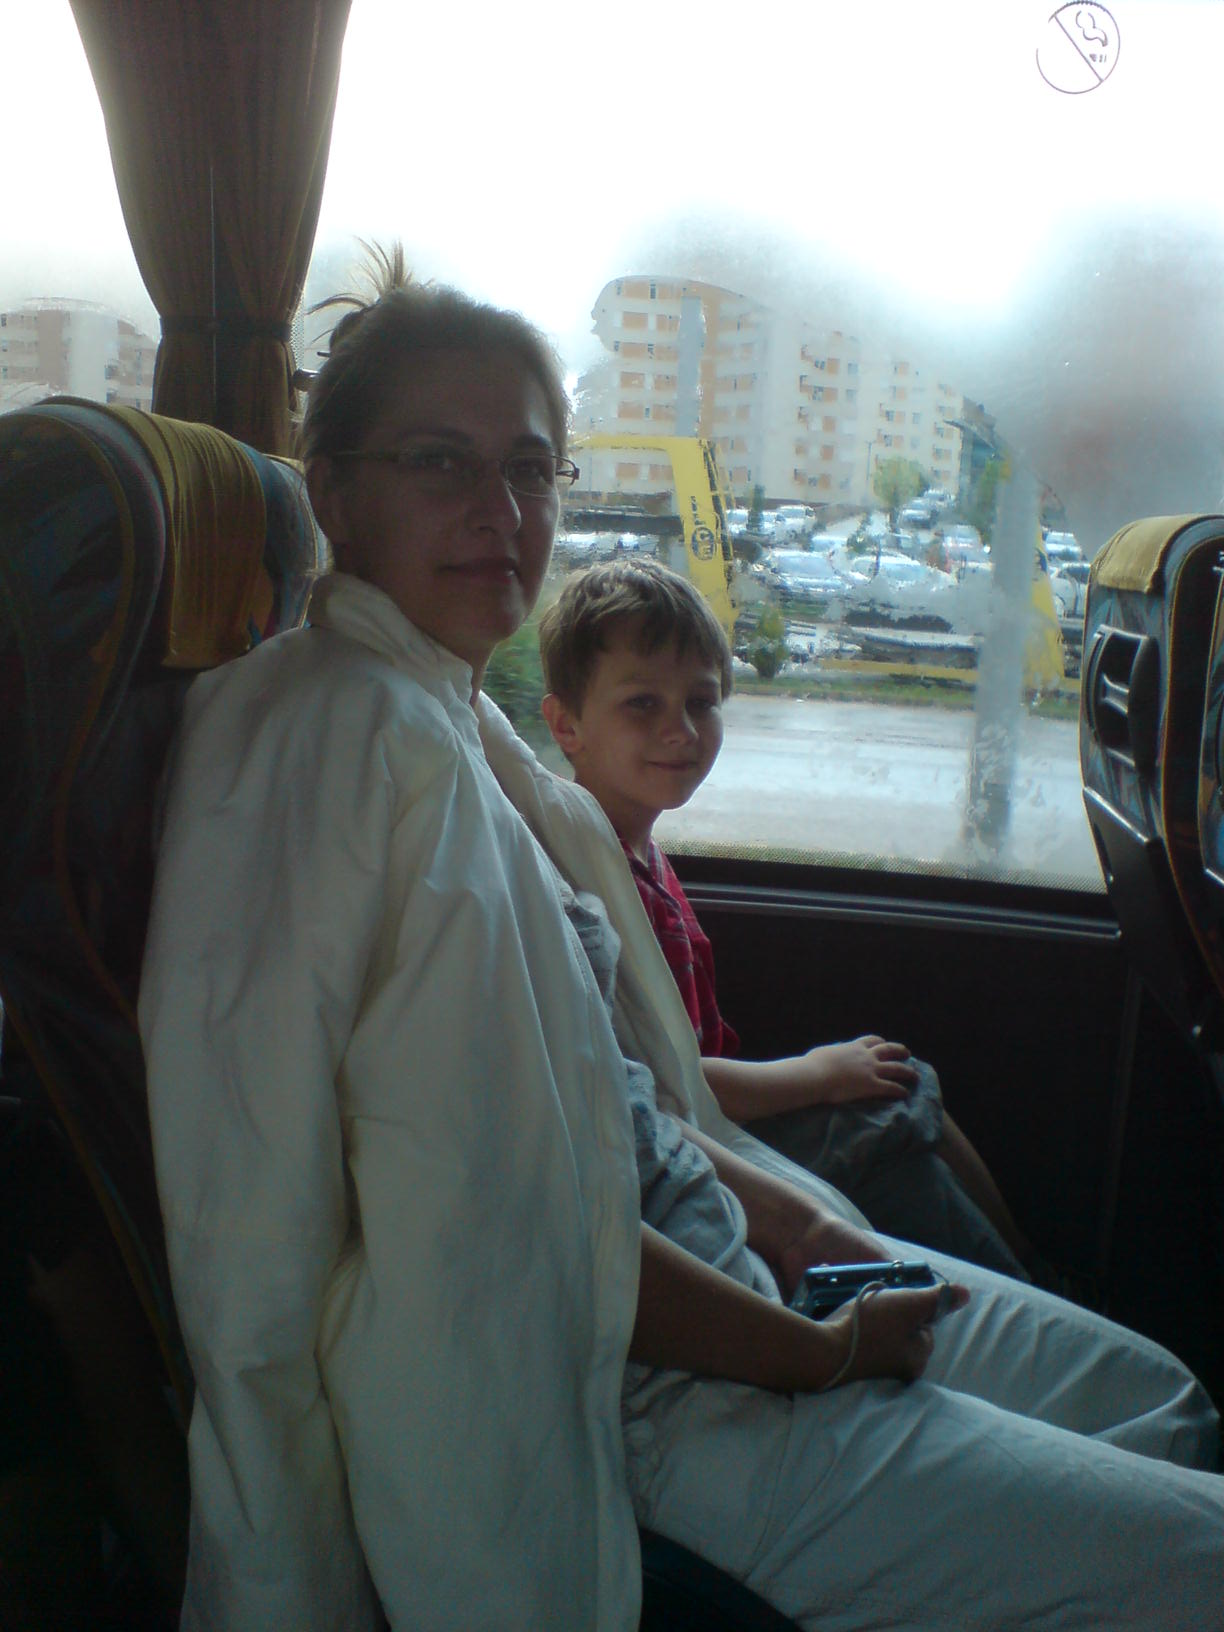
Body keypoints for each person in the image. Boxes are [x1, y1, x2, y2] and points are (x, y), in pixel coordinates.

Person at [139, 251, 1224, 1632]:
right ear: (334, 492)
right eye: (439, 462)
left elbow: (621, 1113)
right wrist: (819, 1355)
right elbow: (498, 1234)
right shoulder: (333, 746)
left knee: (1161, 1403)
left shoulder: (460, 730)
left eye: (530, 467)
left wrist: (804, 1224)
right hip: (658, 1406)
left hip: (730, 1272)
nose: (500, 511)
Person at [537, 556, 1032, 1276]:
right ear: (566, 725)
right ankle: (1019, 1289)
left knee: (902, 1079)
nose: (682, 730)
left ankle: (1030, 1270)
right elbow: (662, 1086)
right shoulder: (589, 882)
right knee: (885, 1120)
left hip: (718, 1114)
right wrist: (815, 1074)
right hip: (701, 1137)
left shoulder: (636, 851)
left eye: (702, 702)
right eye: (642, 704)